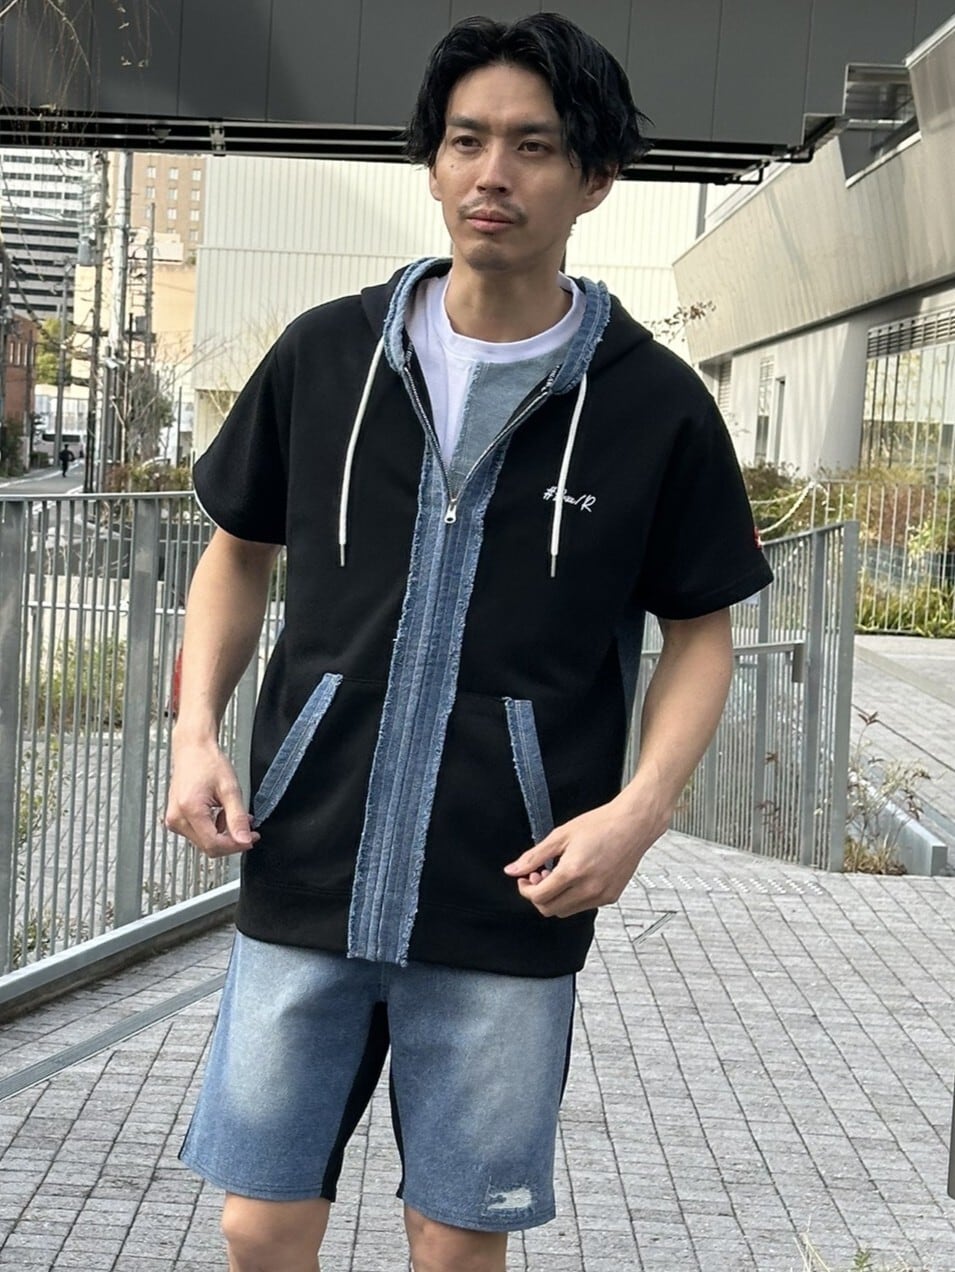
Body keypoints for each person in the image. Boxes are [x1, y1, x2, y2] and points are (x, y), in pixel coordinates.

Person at [165, 12, 773, 1271]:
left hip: (511, 885)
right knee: (257, 1223)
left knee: (454, 1243)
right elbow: (237, 548)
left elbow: (699, 630)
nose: (492, 173)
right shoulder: (328, 355)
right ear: (434, 164)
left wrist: (638, 813)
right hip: (306, 860)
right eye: (465, 140)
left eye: (532, 146)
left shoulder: (652, 404)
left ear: (594, 179)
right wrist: (195, 734)